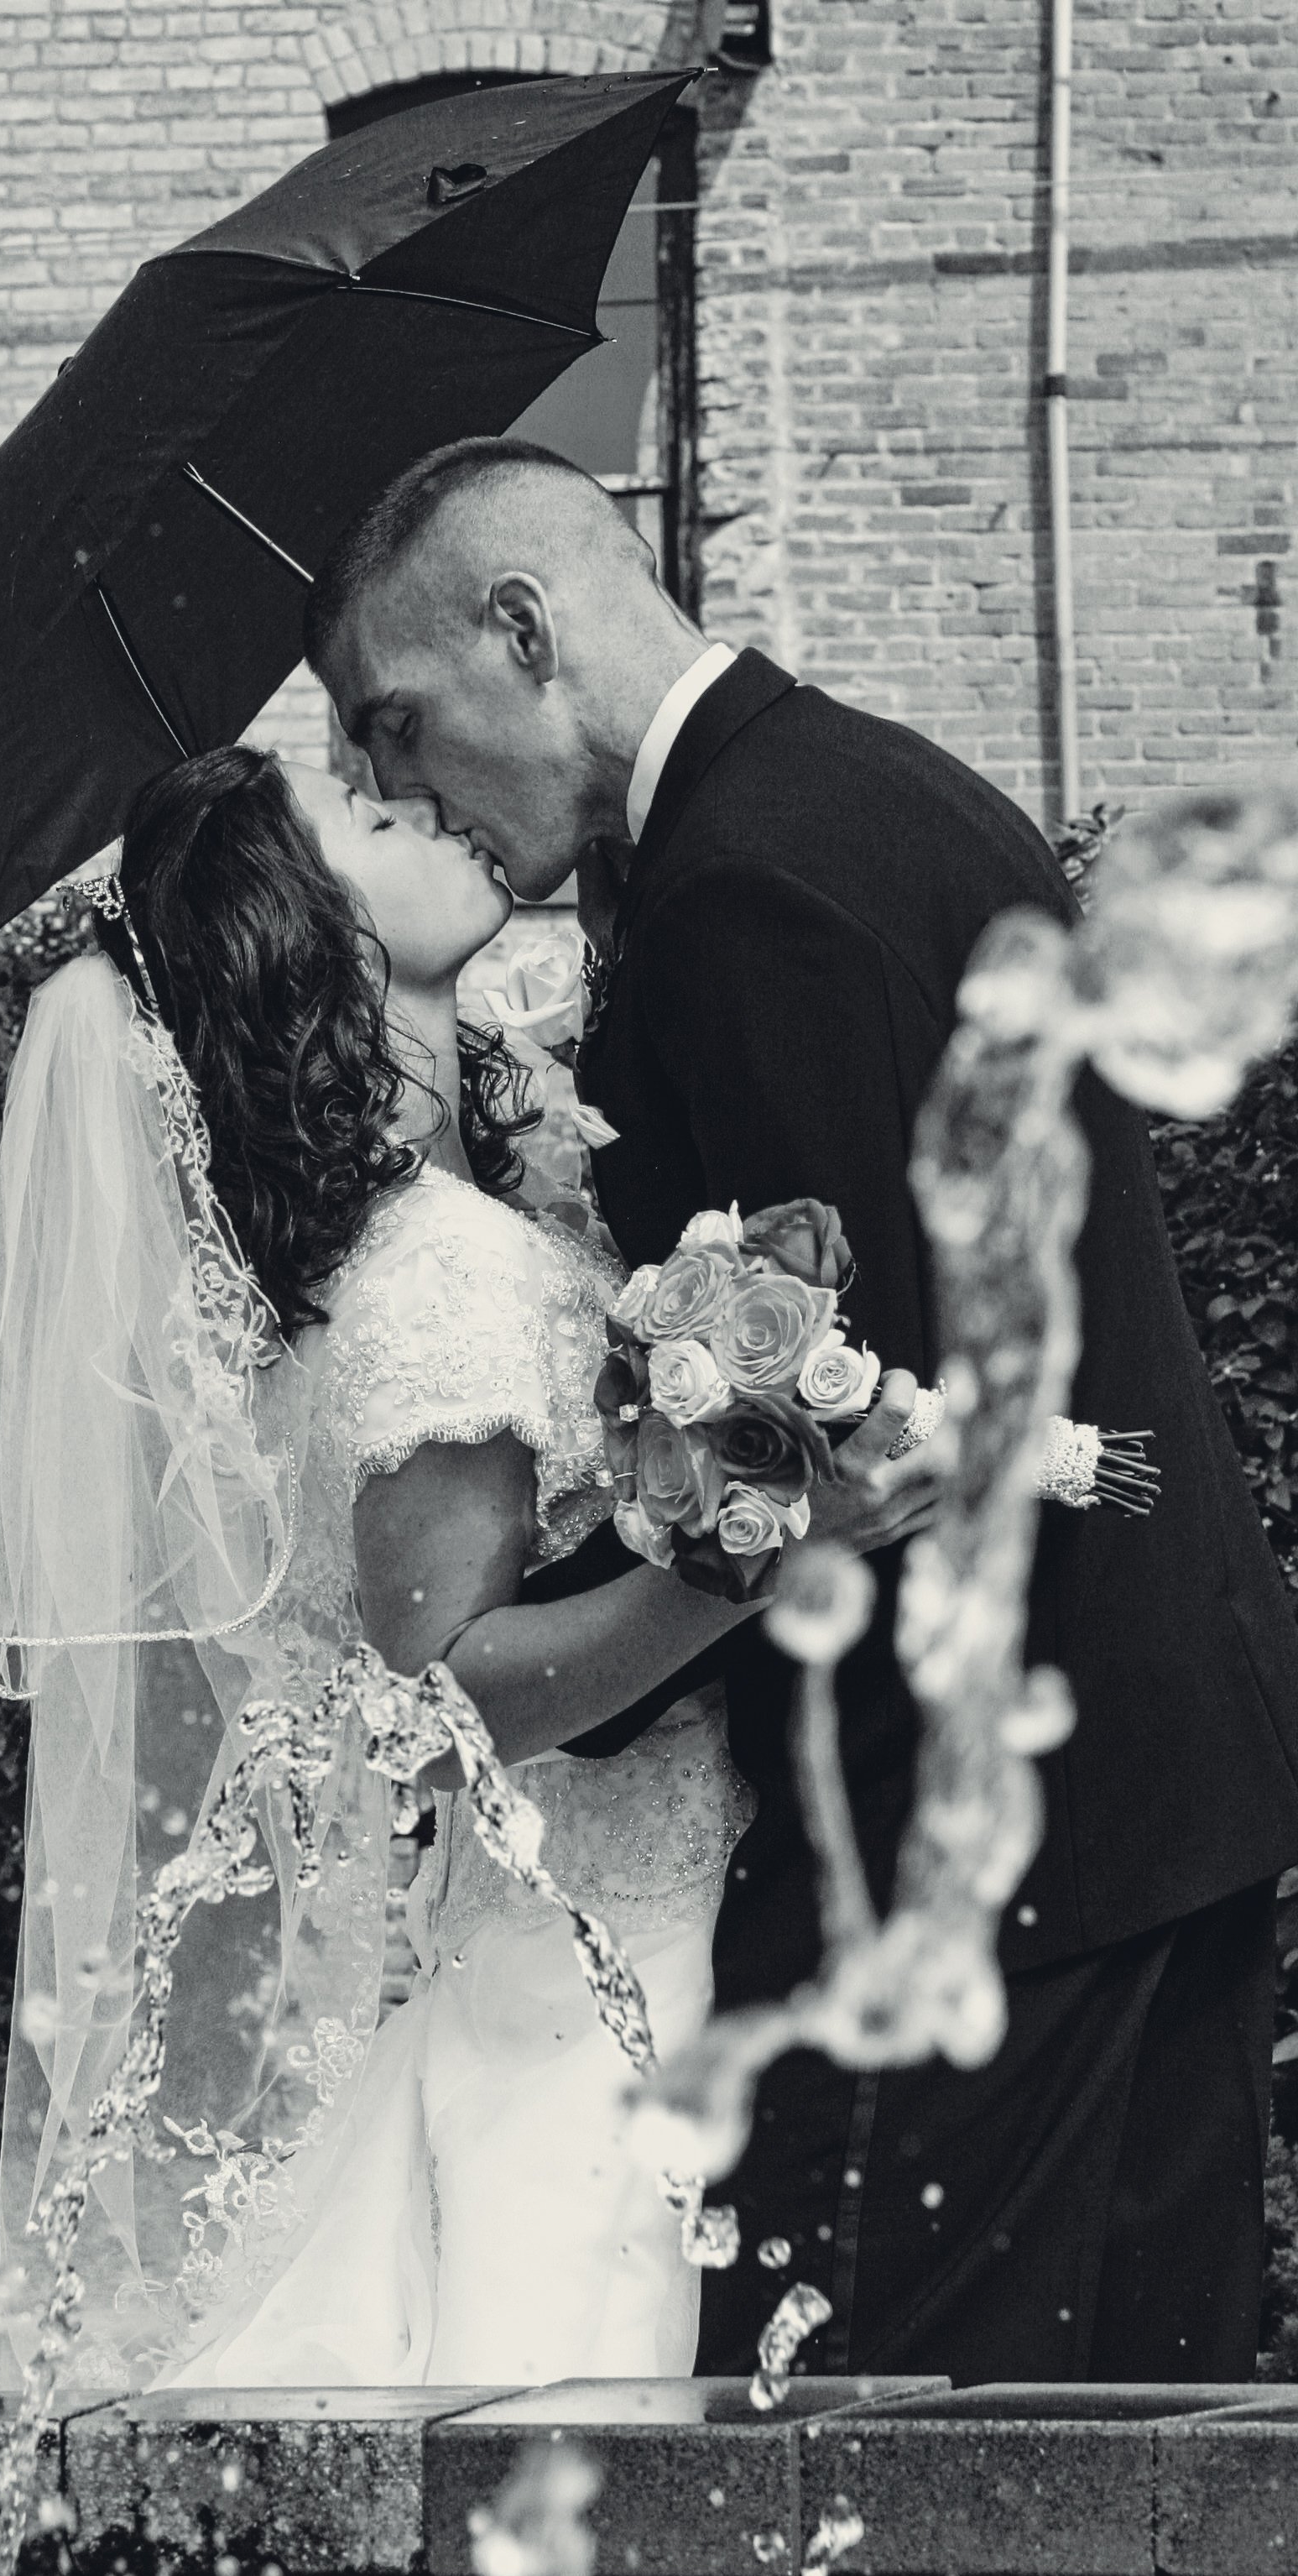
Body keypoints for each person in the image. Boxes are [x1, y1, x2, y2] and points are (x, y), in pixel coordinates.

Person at [304, 435, 1298, 2385]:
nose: (395, 785)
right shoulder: (883, 787)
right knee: (1141, 2460)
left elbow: (868, 1433)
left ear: (523, 631)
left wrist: (619, 1571)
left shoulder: (742, 889)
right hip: (1155, 1766)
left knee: (852, 2459)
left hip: (982, 1849)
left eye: (398, 724)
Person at [0, 744, 932, 2391]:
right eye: (368, 820)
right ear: (307, 935)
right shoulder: (433, 1274)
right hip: (583, 1957)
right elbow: (446, 1689)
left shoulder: (463, 1206)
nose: (425, 807)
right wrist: (761, 1550)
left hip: (601, 1929)